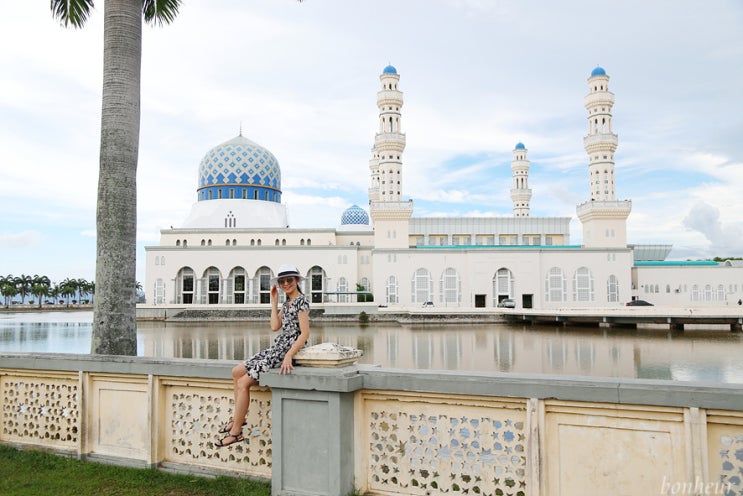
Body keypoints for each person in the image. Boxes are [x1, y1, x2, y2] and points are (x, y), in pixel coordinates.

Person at [215, 264, 310, 447]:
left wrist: (289, 355)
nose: (285, 284)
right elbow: (275, 327)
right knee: (236, 372)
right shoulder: (287, 302)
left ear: (297, 280)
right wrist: (274, 303)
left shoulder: (301, 301)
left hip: (284, 351)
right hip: (276, 347)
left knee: (243, 383)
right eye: (282, 281)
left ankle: (236, 432)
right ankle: (239, 420)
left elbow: (304, 334)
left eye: (289, 280)